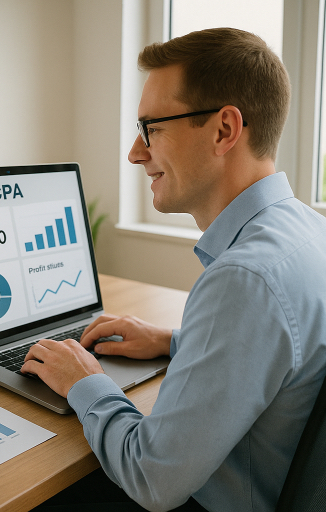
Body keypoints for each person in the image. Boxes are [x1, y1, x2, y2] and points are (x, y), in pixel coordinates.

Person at [23, 27, 326, 512]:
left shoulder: (244, 280)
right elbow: (279, 359)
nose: (135, 152)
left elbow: (151, 479)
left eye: (152, 128)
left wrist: (84, 381)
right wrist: (174, 340)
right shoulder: (309, 232)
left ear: (224, 130)